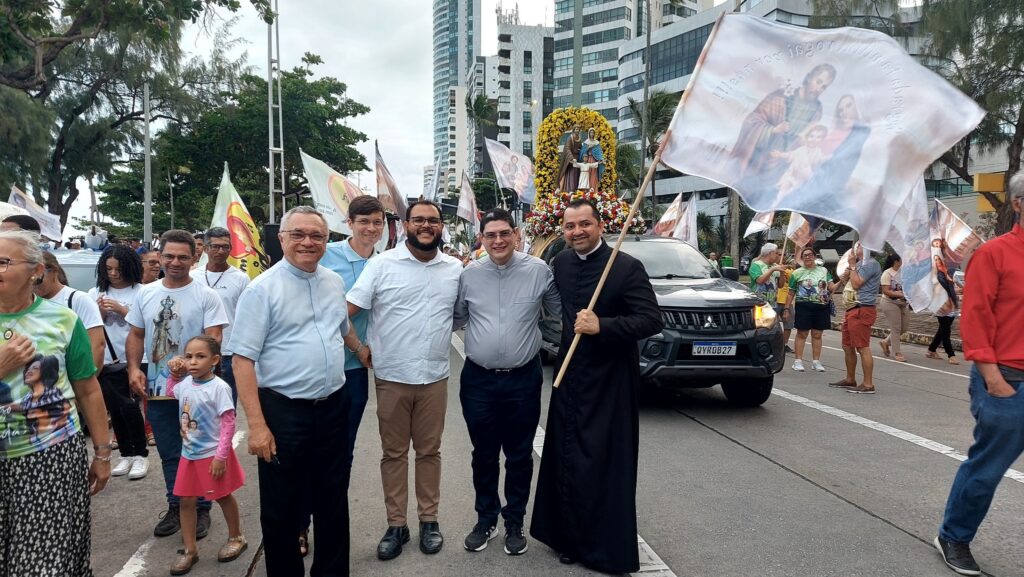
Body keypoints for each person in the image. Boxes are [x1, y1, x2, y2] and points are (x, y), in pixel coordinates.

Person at [231, 206, 369, 576]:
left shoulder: (332, 281)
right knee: (282, 507)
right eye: (298, 234)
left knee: (333, 499)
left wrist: (361, 351)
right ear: (282, 239)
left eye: (317, 236)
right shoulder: (261, 290)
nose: (308, 242)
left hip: (333, 406)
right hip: (284, 412)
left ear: (327, 240)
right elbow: (242, 360)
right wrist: (257, 426)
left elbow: (342, 328)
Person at [530, 199, 663, 573]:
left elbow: (651, 319)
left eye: (584, 224)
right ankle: (565, 538)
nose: (577, 232)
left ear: (600, 225)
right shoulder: (561, 263)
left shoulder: (626, 266)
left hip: (610, 381)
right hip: (570, 374)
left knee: (601, 461)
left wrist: (603, 325)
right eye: (570, 226)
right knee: (565, 456)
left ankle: (600, 547)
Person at [346, 200, 463, 561]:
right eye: (419, 220)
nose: (426, 226)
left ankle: (429, 520)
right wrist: (358, 348)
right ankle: (396, 524)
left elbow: (461, 315)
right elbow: (342, 311)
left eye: (433, 220)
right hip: (392, 378)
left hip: (434, 377)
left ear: (441, 226)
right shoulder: (382, 265)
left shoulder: (455, 269)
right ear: (406, 225)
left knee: (429, 452)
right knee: (394, 454)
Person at [0, 229, 111, 576]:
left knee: (46, 560)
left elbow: (87, 389)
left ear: (36, 271)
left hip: (51, 457)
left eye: (2, 262)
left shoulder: (64, 320)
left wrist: (103, 454)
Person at [453, 209, 560, 556]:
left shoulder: (539, 271)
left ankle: (515, 520)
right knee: (483, 454)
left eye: (504, 233)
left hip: (523, 380)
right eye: (490, 235)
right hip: (478, 381)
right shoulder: (469, 275)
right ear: (481, 239)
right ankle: (486, 519)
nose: (498, 241)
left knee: (519, 455)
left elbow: (561, 313)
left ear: (516, 234)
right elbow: (455, 317)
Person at [935, 173, 1024, 576]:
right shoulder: (994, 254)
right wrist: (993, 379)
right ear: (1018, 203)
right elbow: (975, 317)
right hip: (1008, 379)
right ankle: (953, 536)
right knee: (987, 469)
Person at [126, 229, 228, 539]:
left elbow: (214, 338)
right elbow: (137, 334)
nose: (175, 262)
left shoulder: (207, 296)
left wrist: (191, 364)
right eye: (169, 256)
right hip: (158, 390)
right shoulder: (145, 293)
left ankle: (202, 508)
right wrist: (134, 369)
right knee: (170, 452)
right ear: (159, 256)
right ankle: (176, 504)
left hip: (197, 392)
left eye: (183, 257)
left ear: (195, 257)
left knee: (199, 449)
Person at [308, 195, 385, 556]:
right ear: (349, 223)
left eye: (377, 222)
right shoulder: (326, 256)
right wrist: (355, 344)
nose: (370, 229)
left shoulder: (385, 263)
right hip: (315, 367)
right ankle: (300, 522)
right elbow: (321, 309)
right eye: (363, 222)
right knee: (307, 450)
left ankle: (329, 523)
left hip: (355, 373)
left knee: (343, 452)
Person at [165, 337, 247, 575]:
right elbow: (171, 391)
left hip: (211, 455)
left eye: (200, 357)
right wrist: (175, 375)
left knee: (222, 496)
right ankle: (190, 549)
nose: (192, 362)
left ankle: (236, 537)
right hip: (189, 454)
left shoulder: (219, 388)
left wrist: (221, 456)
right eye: (188, 356)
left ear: (215, 360)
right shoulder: (185, 384)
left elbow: (228, 423)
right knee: (185, 501)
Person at [88, 245, 151, 479]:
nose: (113, 274)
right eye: (109, 269)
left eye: (119, 269)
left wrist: (122, 310)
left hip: (137, 359)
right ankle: (126, 454)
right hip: (107, 360)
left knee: (130, 406)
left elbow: (147, 325)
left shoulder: (143, 292)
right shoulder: (94, 292)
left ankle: (140, 454)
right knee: (116, 409)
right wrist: (100, 313)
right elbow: (88, 326)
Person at [731, 64, 837, 194]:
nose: (818, 89)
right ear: (809, 77)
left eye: (824, 87)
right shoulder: (780, 97)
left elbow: (806, 139)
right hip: (760, 160)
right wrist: (773, 130)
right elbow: (751, 121)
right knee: (744, 191)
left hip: (783, 166)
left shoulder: (817, 110)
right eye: (818, 82)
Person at [190, 227, 249, 403]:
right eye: (215, 246)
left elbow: (246, 317)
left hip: (228, 352)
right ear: (205, 248)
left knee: (226, 403)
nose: (221, 251)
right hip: (194, 352)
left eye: (225, 247)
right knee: (196, 403)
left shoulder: (241, 279)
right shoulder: (192, 277)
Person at [34, 252, 105, 373]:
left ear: (54, 272)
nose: (33, 285)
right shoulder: (27, 302)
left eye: (38, 280)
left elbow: (97, 346)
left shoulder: (79, 300)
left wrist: (87, 381)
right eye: (28, 280)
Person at [829, 243, 882, 394]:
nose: (855, 248)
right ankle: (850, 378)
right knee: (847, 346)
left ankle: (868, 384)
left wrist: (852, 267)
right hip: (852, 308)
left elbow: (857, 284)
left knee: (862, 346)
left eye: (859, 246)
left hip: (862, 308)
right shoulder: (860, 264)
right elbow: (849, 282)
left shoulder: (871, 264)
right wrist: (848, 272)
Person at [785, 246, 842, 372]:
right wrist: (786, 308)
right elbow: (791, 292)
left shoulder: (824, 271)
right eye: (805, 255)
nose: (807, 257)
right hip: (803, 306)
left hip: (821, 306)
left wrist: (842, 280)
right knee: (802, 333)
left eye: (810, 255)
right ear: (802, 258)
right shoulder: (796, 273)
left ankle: (816, 361)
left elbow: (831, 287)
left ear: (815, 257)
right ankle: (798, 361)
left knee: (817, 334)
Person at [878, 253, 910, 363]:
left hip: (903, 303)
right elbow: (886, 291)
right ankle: (897, 352)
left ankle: (886, 342)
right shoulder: (887, 274)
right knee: (896, 328)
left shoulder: (904, 272)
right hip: (890, 302)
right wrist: (899, 294)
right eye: (901, 259)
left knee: (904, 328)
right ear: (896, 261)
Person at [748, 242, 786, 307]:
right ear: (769, 253)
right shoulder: (756, 265)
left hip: (772, 302)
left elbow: (781, 285)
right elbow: (759, 281)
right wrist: (772, 270)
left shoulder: (775, 265)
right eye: (776, 253)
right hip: (758, 302)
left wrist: (782, 273)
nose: (778, 256)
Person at [926, 298, 960, 365]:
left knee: (942, 330)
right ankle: (951, 355)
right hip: (943, 308)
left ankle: (931, 350)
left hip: (952, 308)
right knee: (946, 332)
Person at [557, 125, 582, 193]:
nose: (577, 130)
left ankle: (577, 190)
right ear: (573, 130)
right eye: (576, 129)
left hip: (578, 159)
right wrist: (571, 158)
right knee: (571, 174)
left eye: (578, 129)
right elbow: (567, 148)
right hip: (571, 160)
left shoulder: (579, 138)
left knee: (577, 174)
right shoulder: (570, 138)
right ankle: (570, 189)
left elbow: (581, 148)